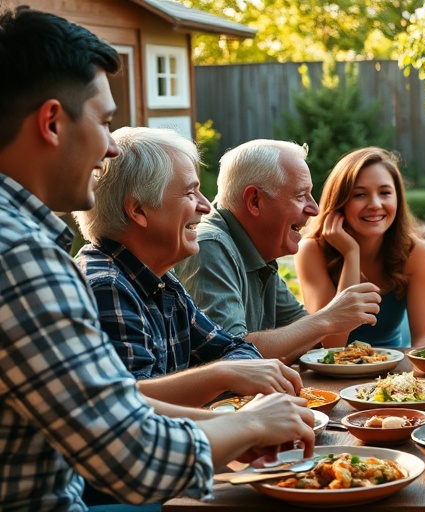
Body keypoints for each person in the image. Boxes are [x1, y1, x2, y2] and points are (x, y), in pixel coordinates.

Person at [0, 8, 313, 511]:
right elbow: (135, 459)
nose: (109, 149)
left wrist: (243, 420)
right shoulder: (22, 256)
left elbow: (114, 404)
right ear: (52, 122)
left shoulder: (28, 245)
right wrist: (249, 422)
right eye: (104, 122)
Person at [73, 127, 304, 407]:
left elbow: (237, 348)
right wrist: (222, 374)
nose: (206, 206)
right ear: (138, 210)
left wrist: (228, 371)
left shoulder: (161, 282)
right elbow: (130, 405)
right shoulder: (107, 286)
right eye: (190, 192)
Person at [175, 139, 381, 364]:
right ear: (255, 201)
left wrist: (325, 322)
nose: (315, 209)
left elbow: (312, 341)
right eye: (301, 196)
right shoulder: (210, 246)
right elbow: (233, 358)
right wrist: (327, 318)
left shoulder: (257, 250)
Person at [296, 147, 425, 348]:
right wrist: (351, 255)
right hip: (331, 373)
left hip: (393, 369)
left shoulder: (414, 251)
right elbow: (331, 345)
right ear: (340, 202)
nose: (375, 204)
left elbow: (423, 340)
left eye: (385, 192)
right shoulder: (311, 250)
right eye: (359, 195)